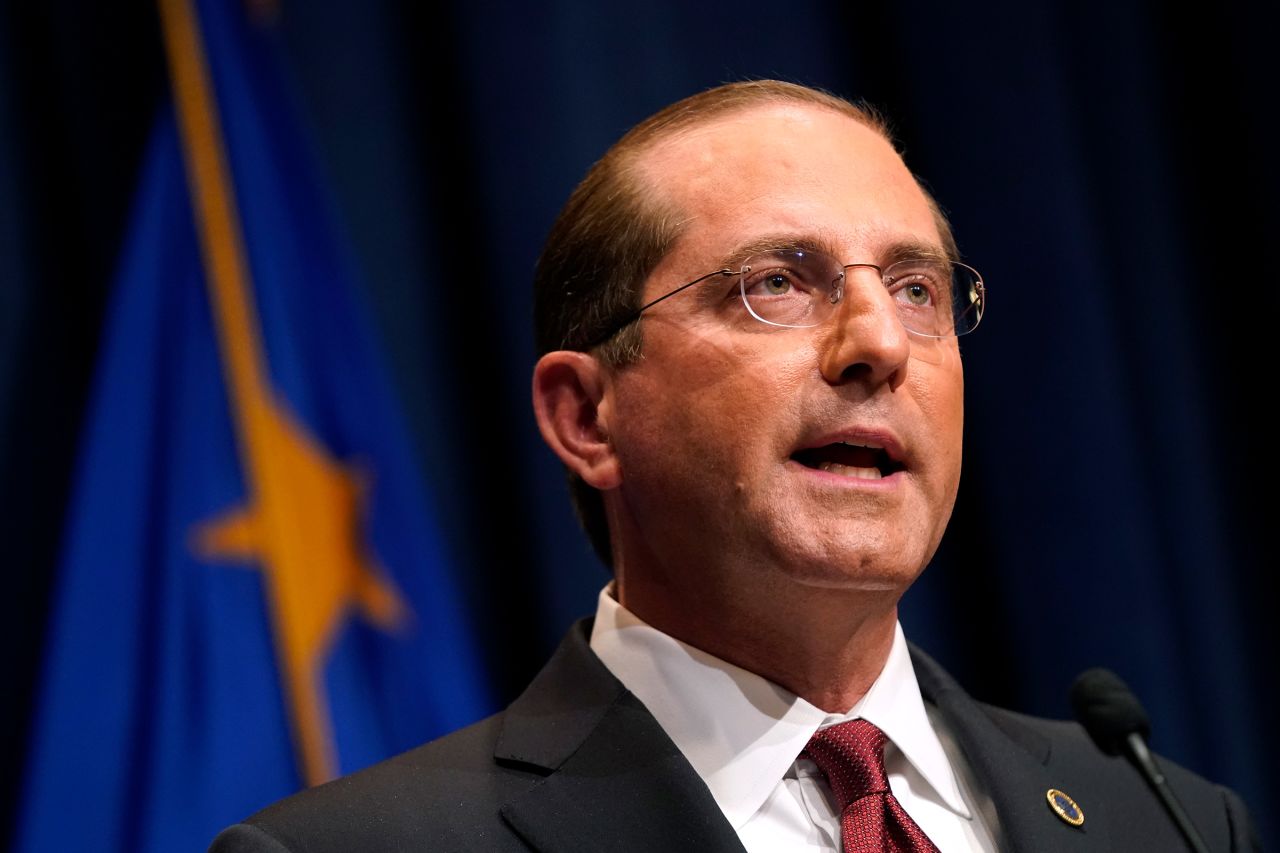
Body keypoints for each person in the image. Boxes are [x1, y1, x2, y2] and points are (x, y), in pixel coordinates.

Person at [210, 80, 1258, 852]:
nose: (878, 343)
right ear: (585, 417)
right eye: (774, 283)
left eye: (916, 290)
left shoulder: (1164, 820)